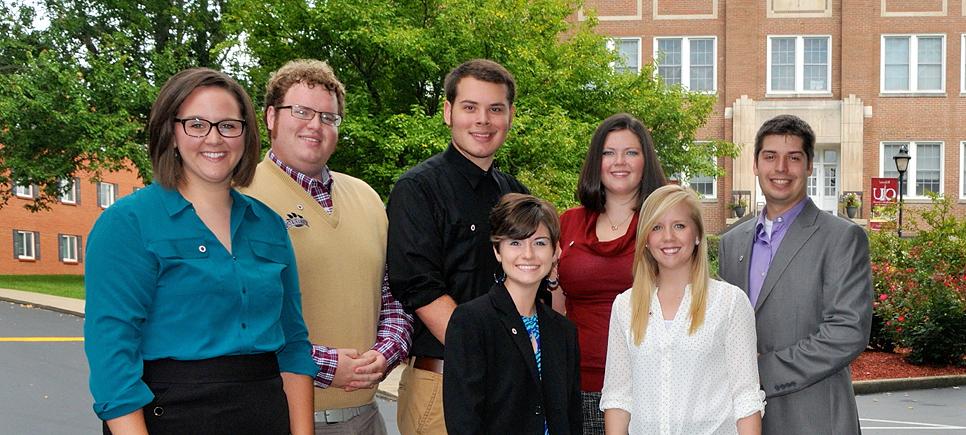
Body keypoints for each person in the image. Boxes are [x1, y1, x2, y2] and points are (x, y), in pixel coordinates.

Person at [84, 68, 317, 435]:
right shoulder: (128, 224)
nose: (214, 138)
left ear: (245, 134)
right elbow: (113, 359)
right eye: (196, 124)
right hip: (172, 418)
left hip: (266, 414)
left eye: (228, 125)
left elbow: (294, 346)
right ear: (171, 132)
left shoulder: (269, 225)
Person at [238, 59, 413, 434]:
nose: (315, 125)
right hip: (282, 417)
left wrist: (384, 354)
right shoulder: (239, 196)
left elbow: (394, 295)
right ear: (271, 117)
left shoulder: (367, 198)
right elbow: (237, 314)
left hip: (366, 417)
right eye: (301, 111)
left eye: (328, 117)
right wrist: (325, 365)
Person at [387, 58, 529, 434]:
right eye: (470, 107)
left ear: (510, 116)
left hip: (511, 386)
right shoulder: (417, 190)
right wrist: (490, 354)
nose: (482, 120)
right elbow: (420, 289)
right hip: (443, 386)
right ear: (448, 112)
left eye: (495, 109)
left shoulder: (516, 193)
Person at [718, 114, 872, 435]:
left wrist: (760, 370)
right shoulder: (731, 243)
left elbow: (847, 332)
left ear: (810, 166)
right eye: (770, 156)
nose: (781, 168)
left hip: (815, 419)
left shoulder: (841, 238)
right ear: (756, 164)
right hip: (742, 420)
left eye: (794, 158)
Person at [601, 184, 765, 435]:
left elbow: (746, 398)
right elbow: (618, 399)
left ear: (697, 234)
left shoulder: (730, 303)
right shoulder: (625, 306)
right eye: (657, 227)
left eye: (679, 226)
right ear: (645, 239)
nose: (668, 237)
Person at [551, 113, 667, 434]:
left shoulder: (663, 224)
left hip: (647, 383)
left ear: (646, 161)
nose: (620, 162)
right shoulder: (568, 223)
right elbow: (556, 306)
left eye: (631, 152)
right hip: (578, 381)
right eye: (608, 153)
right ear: (596, 161)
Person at [443, 193, 581, 434]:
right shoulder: (471, 322)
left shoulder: (563, 330)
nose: (528, 254)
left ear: (555, 251)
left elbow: (571, 417)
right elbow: (463, 421)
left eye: (539, 242)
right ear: (497, 250)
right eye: (515, 242)